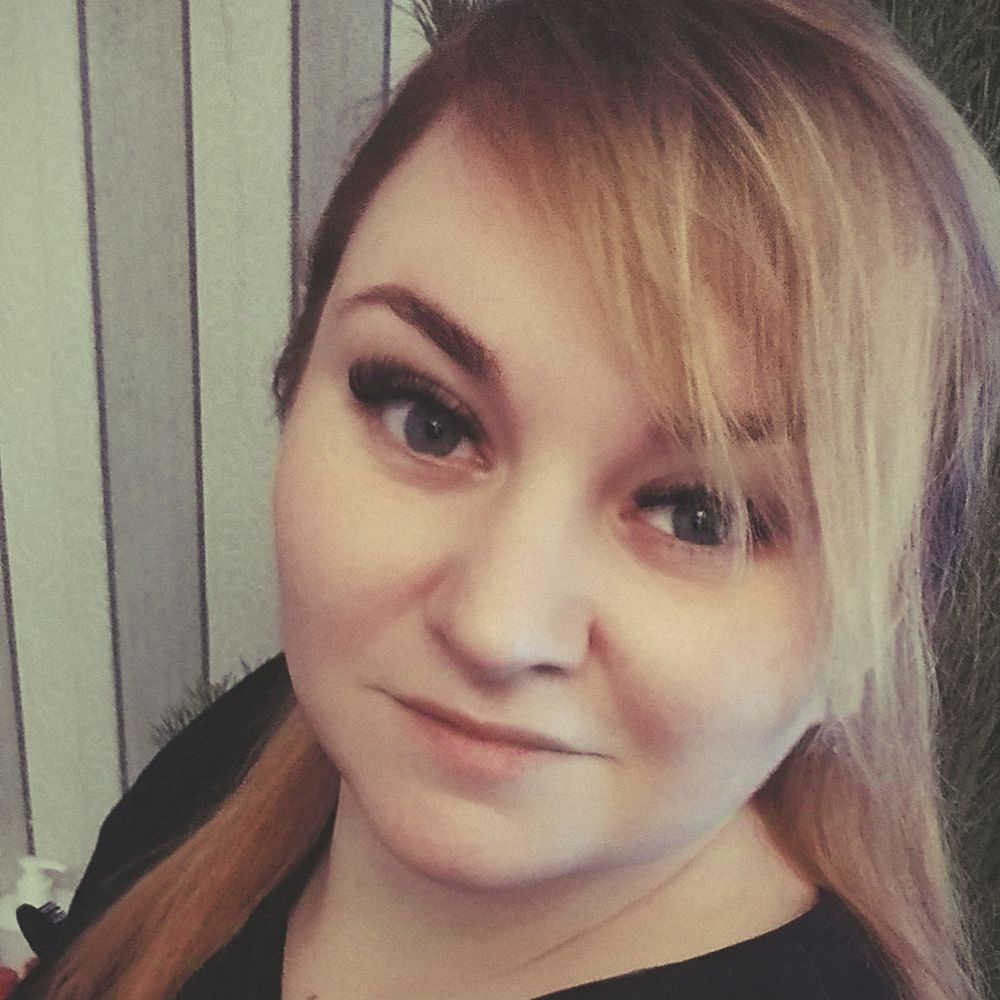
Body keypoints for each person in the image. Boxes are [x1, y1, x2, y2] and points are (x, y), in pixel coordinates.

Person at [10, 0, 1000, 997]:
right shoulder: (258, 741)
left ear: (877, 626)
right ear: (295, 376)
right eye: (428, 420)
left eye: (700, 516)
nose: (493, 628)